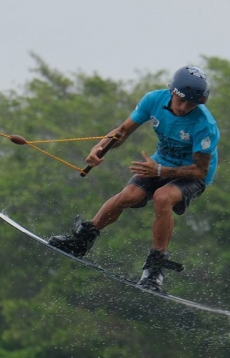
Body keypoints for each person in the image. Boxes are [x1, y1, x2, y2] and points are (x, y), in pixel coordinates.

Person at [49, 66, 220, 292]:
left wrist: (160, 171)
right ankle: (82, 241)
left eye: (192, 104)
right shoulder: (153, 100)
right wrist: (100, 148)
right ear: (172, 91)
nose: (184, 107)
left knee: (162, 197)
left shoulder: (205, 125)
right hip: (159, 163)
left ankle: (155, 269)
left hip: (191, 174)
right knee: (128, 196)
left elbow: (199, 170)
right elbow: (122, 131)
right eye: (181, 100)